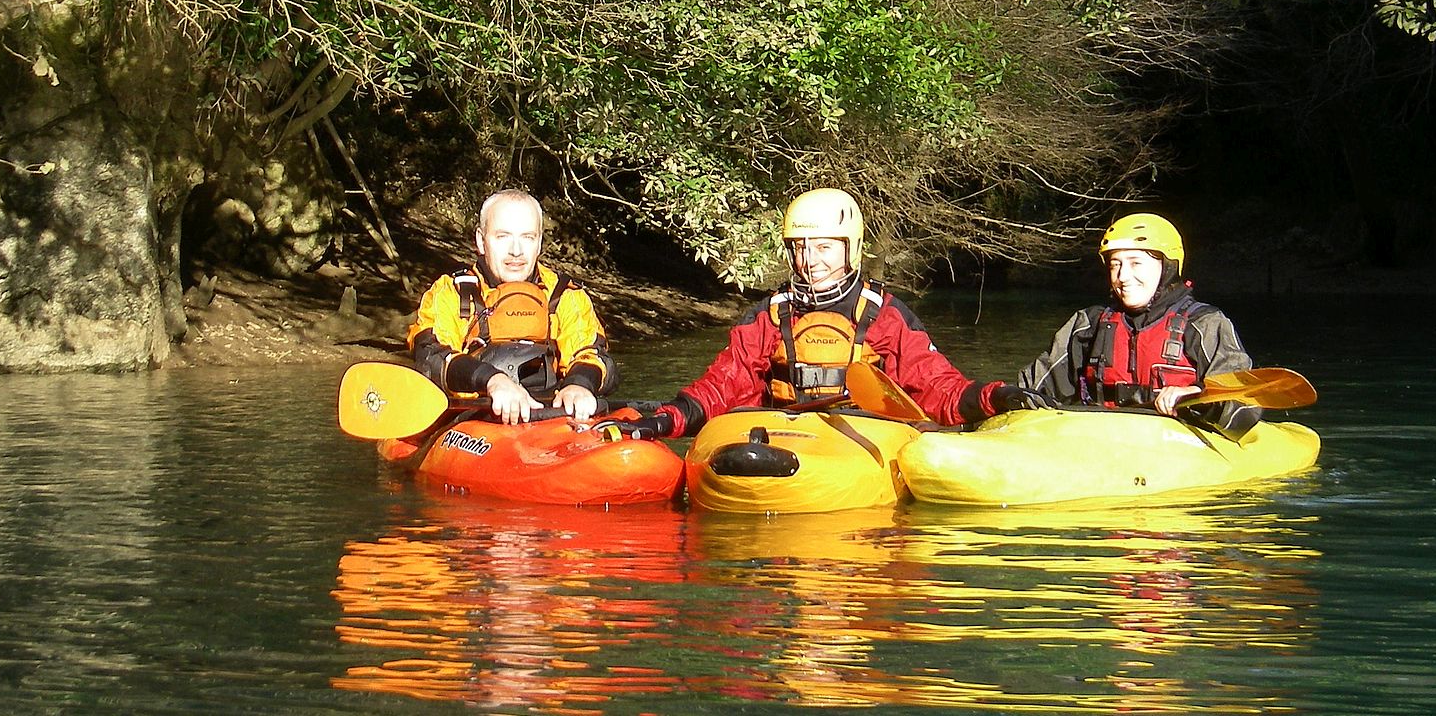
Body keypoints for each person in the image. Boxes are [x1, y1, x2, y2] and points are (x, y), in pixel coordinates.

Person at [595, 187, 1047, 439]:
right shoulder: (767, 317)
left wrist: (994, 397)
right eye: (801, 248)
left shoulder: (886, 316)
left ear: (851, 249)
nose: (811, 260)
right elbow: (721, 387)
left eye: (825, 246)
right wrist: (664, 420)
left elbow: (938, 388)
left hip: (863, 441)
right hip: (783, 438)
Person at [1017, 212, 1260, 437]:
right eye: (1115, 265)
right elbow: (1034, 388)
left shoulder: (1203, 324)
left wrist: (1197, 396)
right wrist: (1006, 397)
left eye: (1135, 263)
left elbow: (1242, 407)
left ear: (1167, 267)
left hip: (1178, 441)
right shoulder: (1087, 325)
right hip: (1103, 439)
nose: (1122, 277)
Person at [405, 189, 613, 423]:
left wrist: (580, 384)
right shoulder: (451, 293)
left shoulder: (565, 295)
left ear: (539, 242)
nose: (516, 251)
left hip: (551, 415)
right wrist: (493, 381)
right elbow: (432, 355)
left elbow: (593, 354)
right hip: (474, 416)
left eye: (527, 237)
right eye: (503, 236)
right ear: (481, 241)